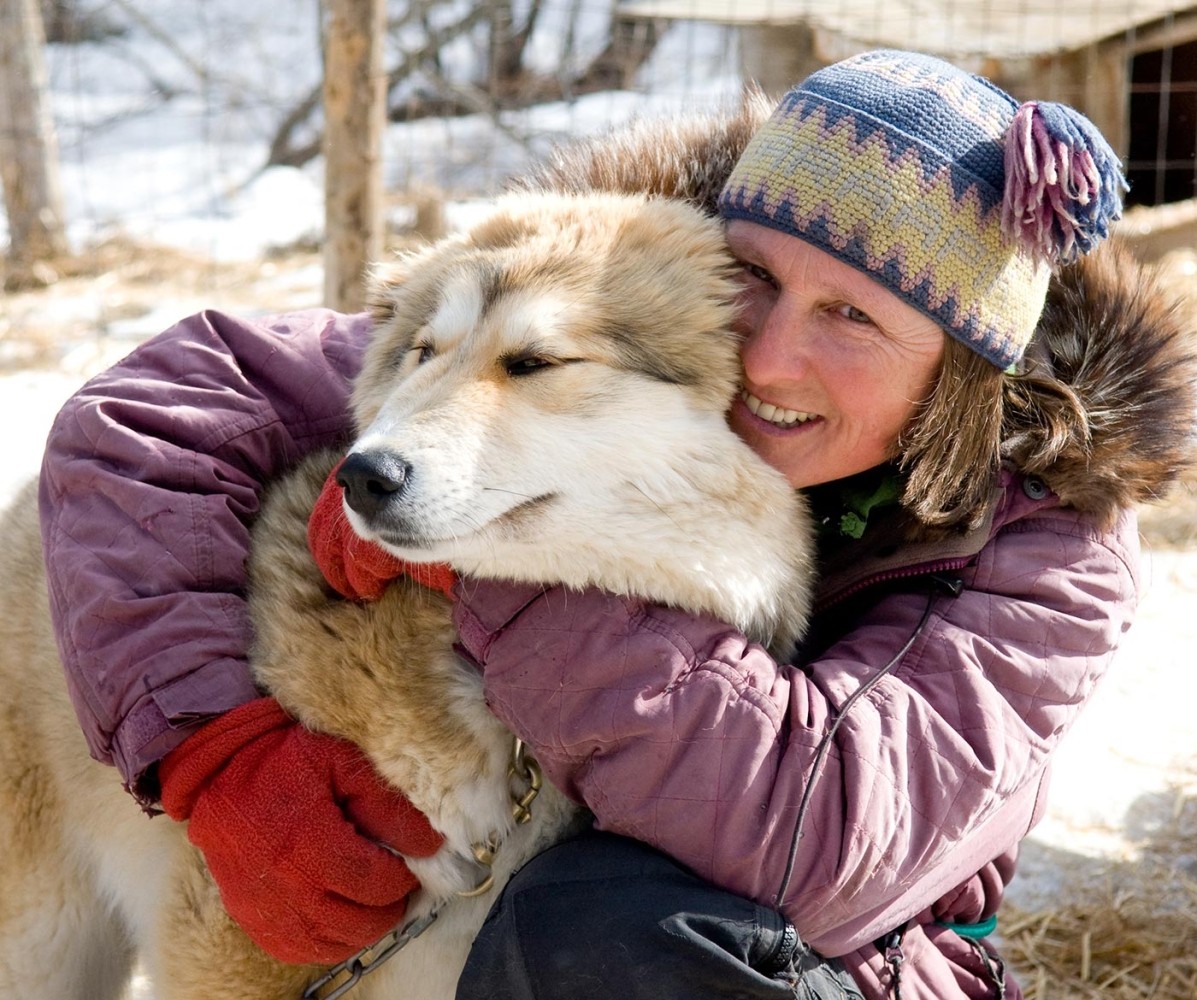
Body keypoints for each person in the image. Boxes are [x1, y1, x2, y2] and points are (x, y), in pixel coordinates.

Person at [38, 49, 1197, 999]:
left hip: (817, 959)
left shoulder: (1053, 547)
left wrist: (497, 557)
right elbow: (158, 412)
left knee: (607, 925)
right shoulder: (638, 313)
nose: (771, 354)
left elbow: (823, 838)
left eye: (853, 314)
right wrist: (212, 751)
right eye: (755, 275)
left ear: (960, 371)